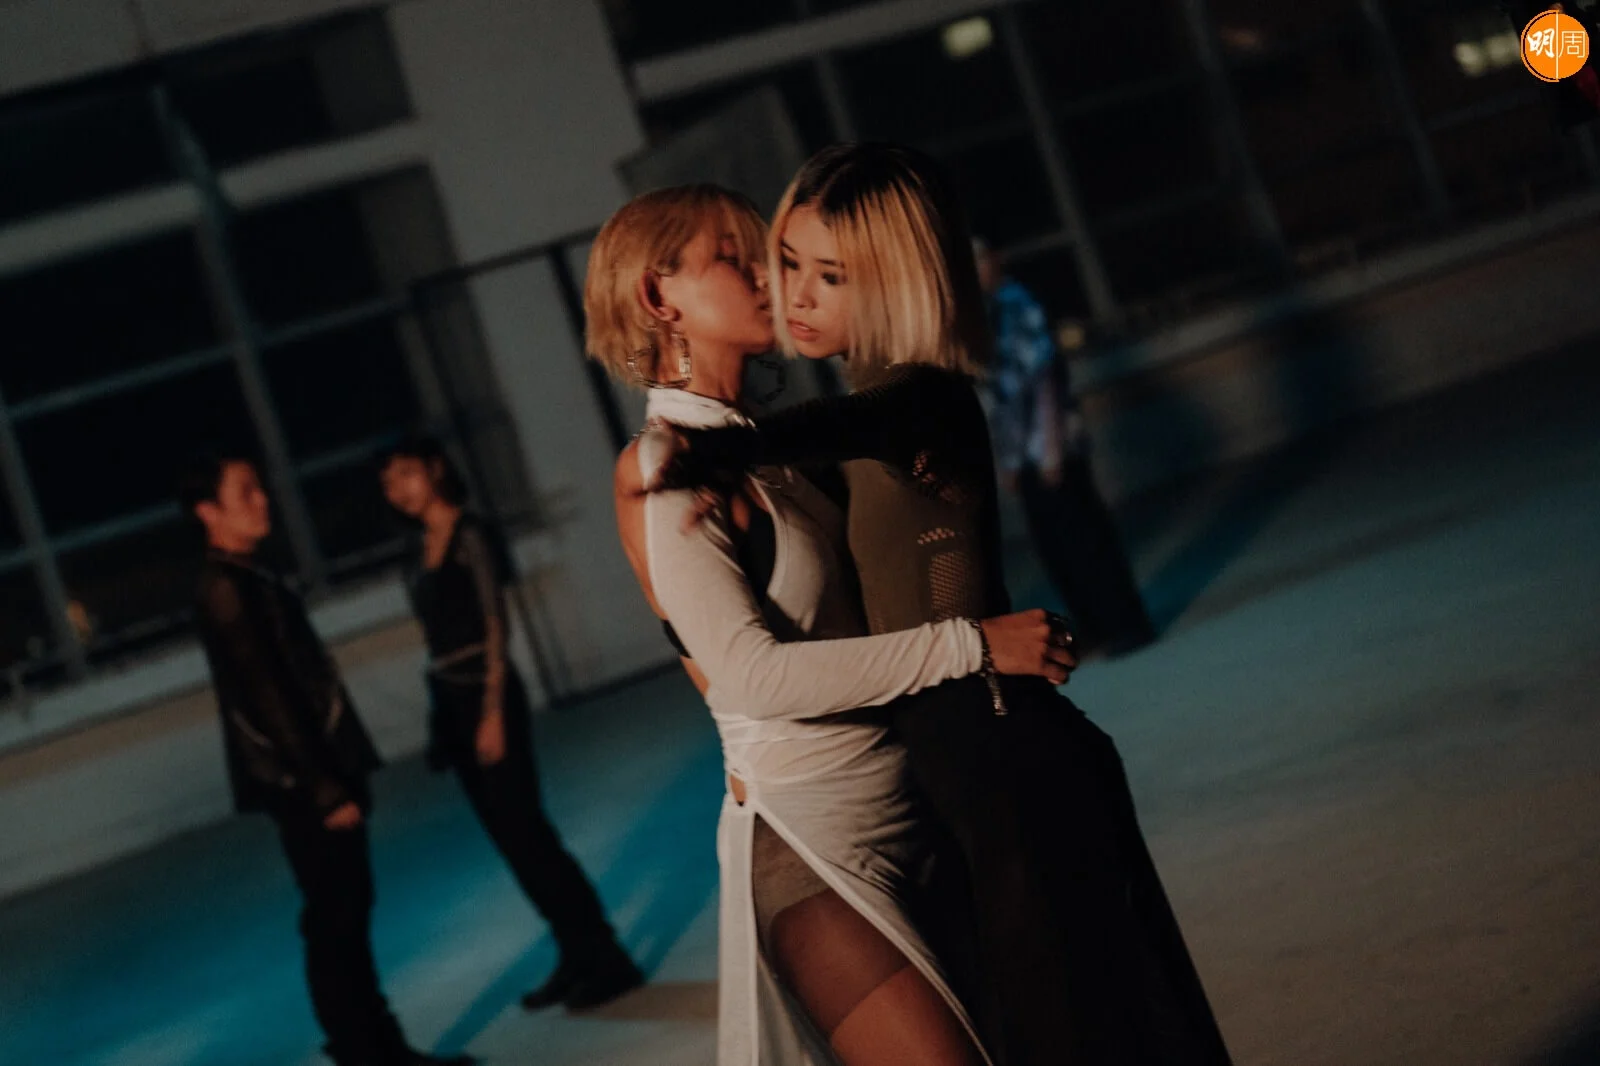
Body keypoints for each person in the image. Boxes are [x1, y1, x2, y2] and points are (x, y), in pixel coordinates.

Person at [649, 144, 1233, 1066]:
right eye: (788, 262)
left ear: (891, 281)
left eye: (832, 275)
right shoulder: (862, 410)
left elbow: (846, 426)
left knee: (1085, 1042)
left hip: (1006, 762)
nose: (796, 294)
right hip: (958, 775)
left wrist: (717, 448)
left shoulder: (920, 396)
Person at [589, 184, 1075, 1066]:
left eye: (769, 258)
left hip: (914, 805)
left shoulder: (771, 447)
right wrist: (973, 647)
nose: (768, 280)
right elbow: (753, 678)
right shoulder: (660, 464)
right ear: (660, 297)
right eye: (735, 260)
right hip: (813, 850)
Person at [182, 453, 473, 1066]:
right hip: (303, 782)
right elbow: (269, 697)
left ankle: (374, 1044)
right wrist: (323, 789)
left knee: (343, 911)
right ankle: (367, 1048)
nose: (262, 499)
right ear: (209, 511)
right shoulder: (226, 588)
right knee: (336, 915)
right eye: (244, 491)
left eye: (259, 487)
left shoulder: (245, 577)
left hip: (309, 773)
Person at [378, 434, 642, 1012]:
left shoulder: (470, 534)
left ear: (435, 468)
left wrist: (493, 712)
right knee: (511, 844)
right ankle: (574, 953)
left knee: (529, 834)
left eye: (405, 473)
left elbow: (496, 626)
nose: (398, 489)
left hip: (487, 692)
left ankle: (606, 956)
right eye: (388, 483)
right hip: (450, 697)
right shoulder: (417, 549)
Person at [973, 238, 1155, 656]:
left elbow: (1044, 382)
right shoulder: (991, 314)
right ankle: (1095, 626)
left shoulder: (1019, 305)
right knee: (1057, 548)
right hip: (1026, 454)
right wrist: (1009, 460)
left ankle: (1125, 623)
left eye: (979, 260)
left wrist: (1050, 451)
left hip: (1051, 450)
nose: (975, 271)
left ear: (997, 259)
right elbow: (1001, 397)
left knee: (1086, 541)